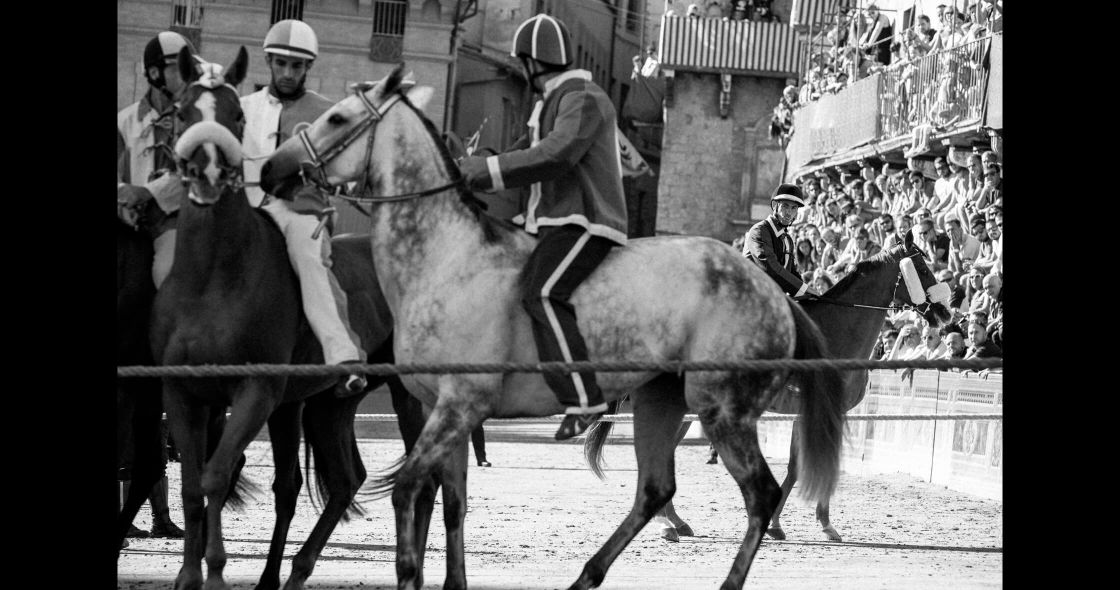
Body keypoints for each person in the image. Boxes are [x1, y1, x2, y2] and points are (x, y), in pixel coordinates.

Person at [459, 14, 627, 441]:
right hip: (549, 222)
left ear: (533, 62)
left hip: (587, 220)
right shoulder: (551, 100)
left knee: (545, 293)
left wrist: (487, 169)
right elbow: (524, 151)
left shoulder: (584, 96)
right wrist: (473, 166)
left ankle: (585, 398)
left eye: (523, 63)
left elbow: (556, 154)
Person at [240, 19, 368, 397]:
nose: (288, 73)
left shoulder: (329, 113)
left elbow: (346, 173)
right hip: (248, 213)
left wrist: (337, 180)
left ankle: (345, 358)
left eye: (297, 66)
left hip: (301, 213)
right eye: (281, 64)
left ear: (308, 68)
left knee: (310, 258)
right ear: (269, 62)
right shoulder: (243, 107)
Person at [117, 31, 200, 288]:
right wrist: (121, 198)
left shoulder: (194, 121)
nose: (190, 75)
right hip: (125, 218)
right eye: (181, 68)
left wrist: (146, 192)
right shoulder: (124, 120)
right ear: (155, 74)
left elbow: (192, 176)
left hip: (172, 222)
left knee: (166, 272)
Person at [742, 184, 820, 298]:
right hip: (750, 296)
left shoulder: (787, 239)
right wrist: (803, 289)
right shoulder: (759, 230)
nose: (789, 212)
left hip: (774, 297)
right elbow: (771, 268)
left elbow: (792, 273)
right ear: (775, 207)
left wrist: (808, 292)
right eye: (785, 206)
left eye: (794, 208)